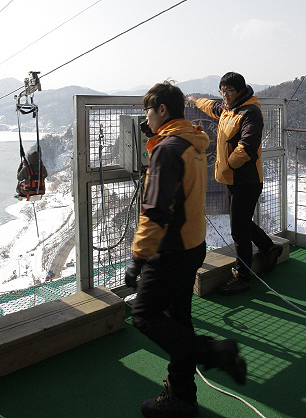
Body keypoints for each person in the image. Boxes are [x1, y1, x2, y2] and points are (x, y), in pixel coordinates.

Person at [125, 81, 246, 418]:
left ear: (162, 110)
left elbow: (156, 212)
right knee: (178, 321)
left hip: (171, 250)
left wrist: (138, 258)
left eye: (148, 112)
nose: (146, 119)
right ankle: (183, 397)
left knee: (144, 315)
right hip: (194, 245)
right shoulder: (191, 142)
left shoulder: (167, 150)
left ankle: (215, 354)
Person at [187, 72, 283, 295]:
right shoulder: (227, 109)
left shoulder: (250, 112)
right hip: (231, 180)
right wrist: (193, 100)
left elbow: (248, 146)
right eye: (222, 91)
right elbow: (211, 106)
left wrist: (228, 164)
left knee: (238, 231)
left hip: (246, 181)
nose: (225, 95)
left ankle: (242, 277)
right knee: (242, 222)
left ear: (241, 91)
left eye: (229, 91)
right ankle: (269, 248)